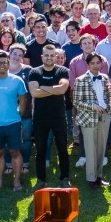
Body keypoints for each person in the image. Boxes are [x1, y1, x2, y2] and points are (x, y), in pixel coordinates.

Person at [27, 45, 72, 188]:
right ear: (42, 57)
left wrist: (43, 88)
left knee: (62, 149)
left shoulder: (62, 70)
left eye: (52, 55)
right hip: (40, 117)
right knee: (40, 150)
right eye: (46, 55)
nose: (49, 58)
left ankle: (65, 178)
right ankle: (41, 180)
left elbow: (63, 89)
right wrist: (54, 89)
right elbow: (34, 93)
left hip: (58, 116)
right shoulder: (34, 72)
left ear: (55, 57)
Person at [0, 52, 27, 191]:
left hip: (13, 123)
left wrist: (17, 115)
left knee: (15, 152)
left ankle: (17, 182)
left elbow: (23, 101)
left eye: (5, 62)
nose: (2, 65)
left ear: (9, 64)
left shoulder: (17, 81)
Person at [73, 53, 111, 191]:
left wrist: (108, 110)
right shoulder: (80, 80)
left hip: (104, 117)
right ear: (88, 65)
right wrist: (92, 106)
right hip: (88, 118)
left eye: (98, 62)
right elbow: (77, 102)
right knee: (90, 149)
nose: (96, 65)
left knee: (101, 149)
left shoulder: (104, 78)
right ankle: (91, 178)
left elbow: (108, 97)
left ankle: (99, 176)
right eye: (93, 63)